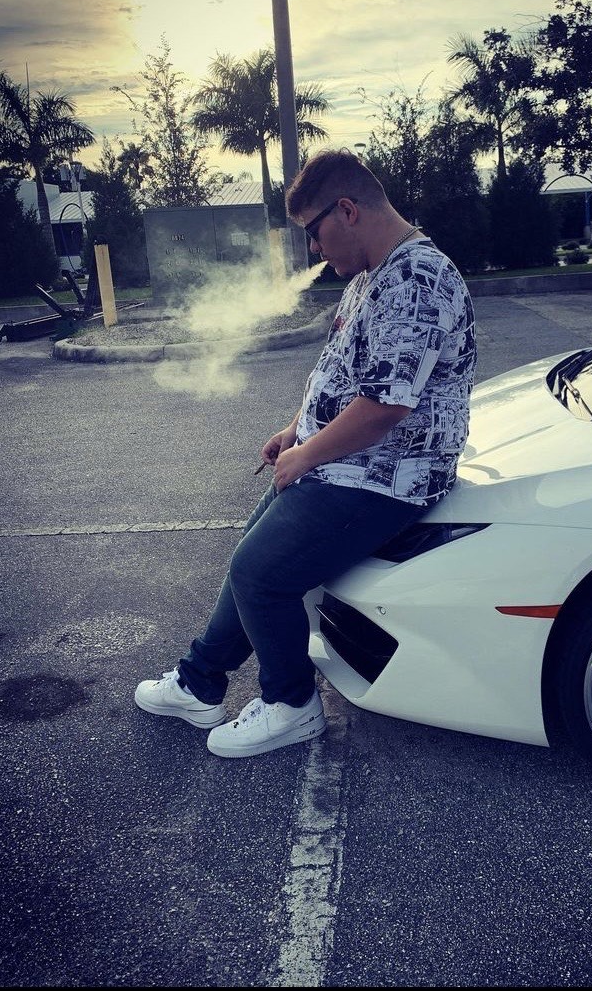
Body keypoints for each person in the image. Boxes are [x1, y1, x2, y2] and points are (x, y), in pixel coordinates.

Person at [135, 149, 476, 758]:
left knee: (260, 573)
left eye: (314, 233)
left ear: (347, 210)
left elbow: (385, 406)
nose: (314, 249)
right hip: (346, 464)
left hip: (387, 477)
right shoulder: (373, 275)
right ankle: (199, 683)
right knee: (251, 559)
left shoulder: (417, 280)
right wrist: (296, 431)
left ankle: (291, 705)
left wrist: (309, 454)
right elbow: (342, 373)